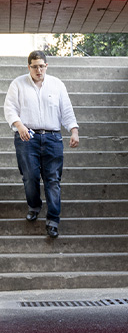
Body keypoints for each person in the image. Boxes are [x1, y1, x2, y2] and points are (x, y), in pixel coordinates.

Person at [4, 51, 79, 238]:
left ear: (47, 66)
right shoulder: (18, 84)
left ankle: (53, 220)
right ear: (28, 67)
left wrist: (73, 130)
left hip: (53, 138)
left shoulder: (57, 84)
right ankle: (34, 206)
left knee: (53, 180)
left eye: (41, 66)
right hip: (27, 138)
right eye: (34, 66)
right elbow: (10, 108)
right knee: (30, 177)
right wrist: (19, 125)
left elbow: (66, 110)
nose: (38, 70)